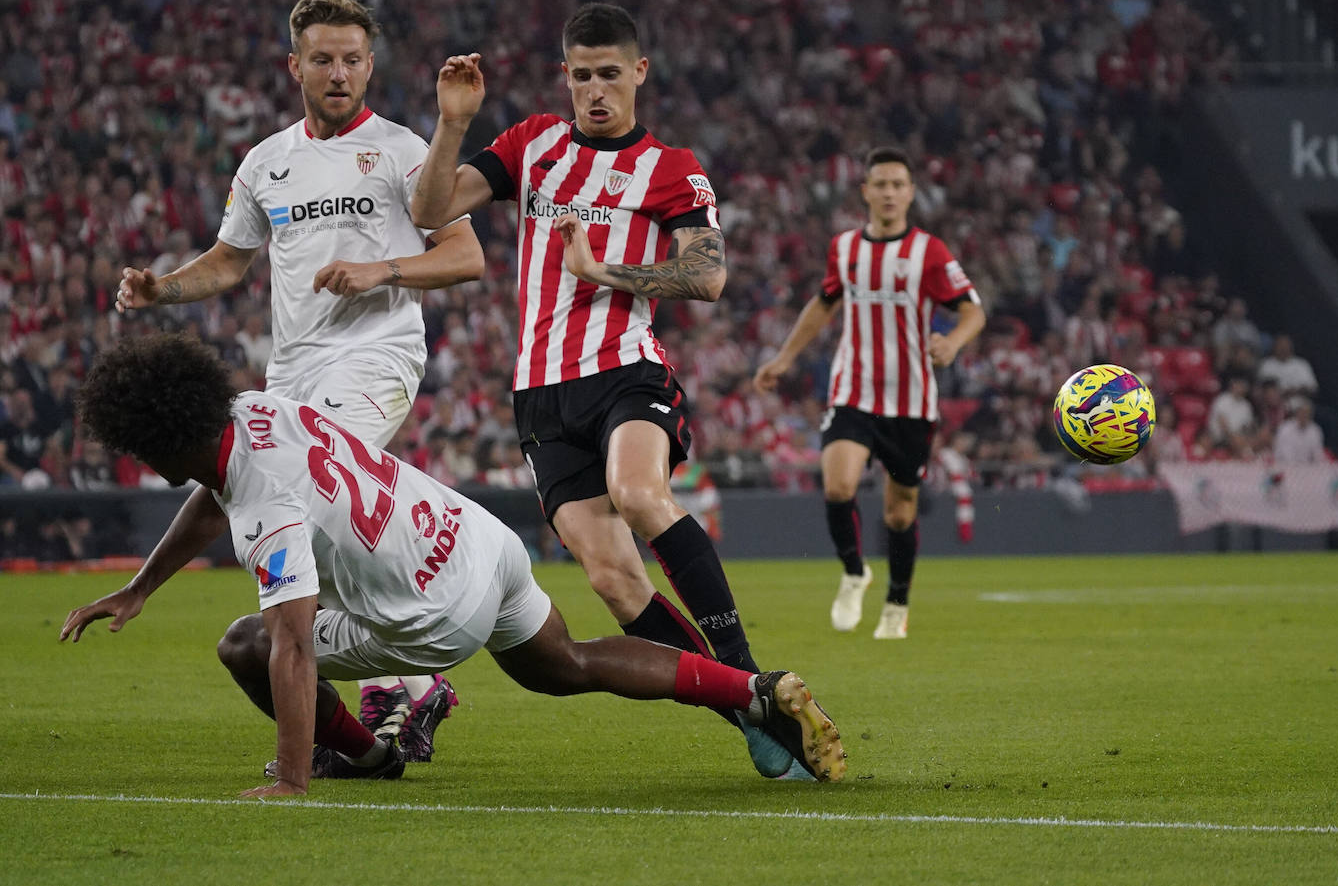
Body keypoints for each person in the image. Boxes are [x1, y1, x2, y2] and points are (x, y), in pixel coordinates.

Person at [59, 334, 847, 795]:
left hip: (435, 614)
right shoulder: (254, 408)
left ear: (160, 441)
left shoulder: (264, 505)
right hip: (478, 539)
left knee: (246, 643)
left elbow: (292, 646)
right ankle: (750, 690)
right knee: (564, 663)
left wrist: (290, 778)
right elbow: (213, 488)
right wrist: (140, 585)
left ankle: (366, 756)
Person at [408, 3, 798, 777]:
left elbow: (708, 275)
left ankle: (749, 666)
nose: (595, 89)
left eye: (610, 74)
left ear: (639, 73)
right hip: (541, 395)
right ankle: (749, 703)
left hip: (625, 368)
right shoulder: (533, 145)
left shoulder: (673, 167)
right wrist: (453, 123)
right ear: (566, 75)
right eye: (582, 74)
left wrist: (602, 271)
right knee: (615, 582)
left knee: (640, 492)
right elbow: (429, 210)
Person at [110, 0, 485, 765]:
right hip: (292, 373)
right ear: (296, 66)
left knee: (309, 498)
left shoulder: (404, 150)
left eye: (352, 59)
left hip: (377, 356)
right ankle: (402, 687)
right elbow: (228, 259)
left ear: (370, 65)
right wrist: (162, 289)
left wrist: (381, 269)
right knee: (281, 498)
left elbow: (464, 255)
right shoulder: (265, 162)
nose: (339, 72)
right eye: (323, 59)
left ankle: (402, 683)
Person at [754, 147, 986, 640]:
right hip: (853, 389)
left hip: (911, 399)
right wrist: (785, 357)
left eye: (897, 185)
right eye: (879, 184)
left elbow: (973, 311)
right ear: (865, 191)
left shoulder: (930, 252)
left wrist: (952, 342)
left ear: (910, 193)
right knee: (837, 485)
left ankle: (896, 604)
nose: (888, 193)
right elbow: (824, 304)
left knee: (899, 511)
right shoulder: (844, 248)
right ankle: (854, 571)